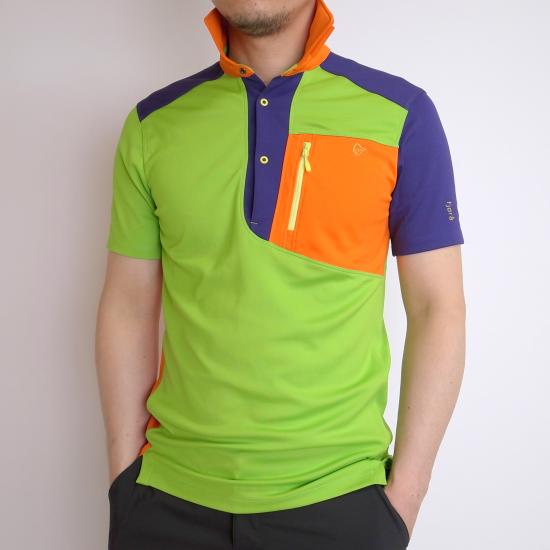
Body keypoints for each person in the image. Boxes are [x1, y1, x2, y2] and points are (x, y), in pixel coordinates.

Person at [95, 0, 466, 548]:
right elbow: (127, 306)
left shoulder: (401, 115)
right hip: (167, 500)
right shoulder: (153, 125)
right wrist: (124, 480)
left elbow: (439, 309)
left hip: (341, 502)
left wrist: (404, 499)